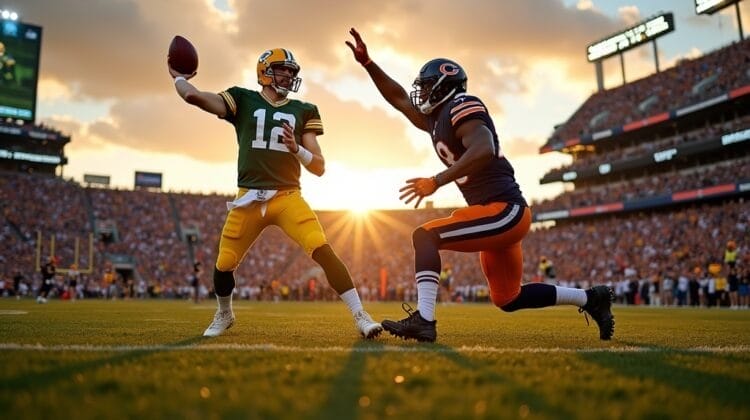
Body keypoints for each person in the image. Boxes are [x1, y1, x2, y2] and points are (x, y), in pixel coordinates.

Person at [346, 28, 614, 342]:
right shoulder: (436, 119)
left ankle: (425, 320)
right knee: (507, 298)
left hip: (505, 210)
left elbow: (484, 148)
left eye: (428, 85)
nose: (421, 92)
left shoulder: (462, 104)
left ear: (446, 86)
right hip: (495, 215)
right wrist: (368, 64)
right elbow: (400, 100)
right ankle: (591, 298)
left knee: (425, 236)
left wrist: (436, 181)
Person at [169, 47, 382, 339]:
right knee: (225, 263)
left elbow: (319, 167)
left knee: (321, 247)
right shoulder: (242, 99)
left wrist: (297, 150)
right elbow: (195, 97)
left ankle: (361, 315)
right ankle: (225, 313)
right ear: (264, 71)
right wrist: (179, 79)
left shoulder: (303, 110)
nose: (288, 75)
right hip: (249, 196)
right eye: (283, 69)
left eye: (291, 71)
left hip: (287, 196)